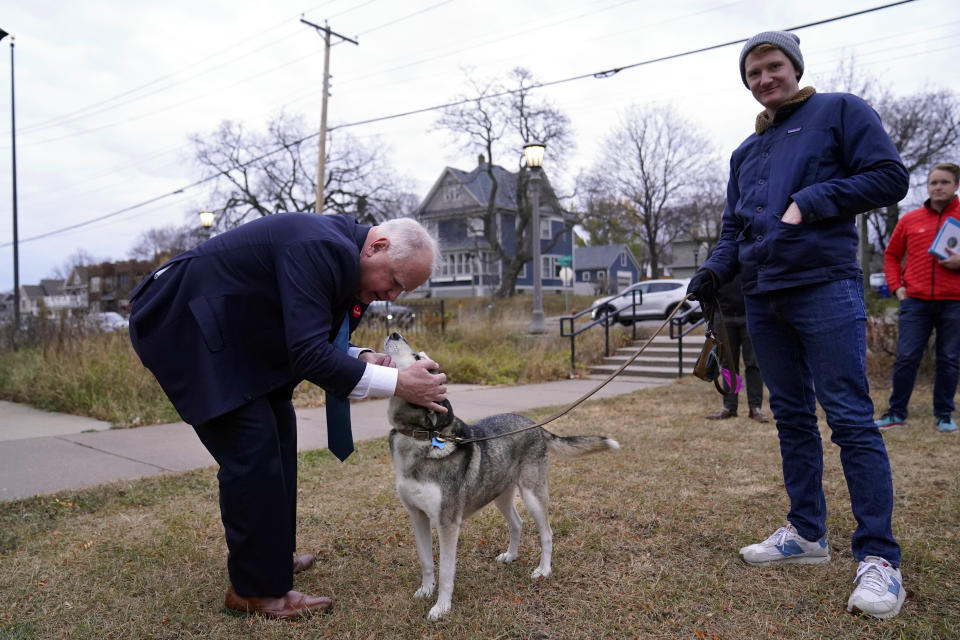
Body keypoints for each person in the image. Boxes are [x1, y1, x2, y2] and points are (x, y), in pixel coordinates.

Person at [686, 31, 909, 619]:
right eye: (752, 73)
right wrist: (710, 273)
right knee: (790, 416)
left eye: (772, 66)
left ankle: (879, 558)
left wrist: (811, 200)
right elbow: (734, 228)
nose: (763, 79)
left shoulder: (839, 111)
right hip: (762, 295)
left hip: (823, 285)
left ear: (794, 67)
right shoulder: (745, 150)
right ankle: (807, 534)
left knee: (850, 417)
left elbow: (890, 177)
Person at [128, 213, 448, 619]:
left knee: (280, 432)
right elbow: (308, 354)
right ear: (378, 246)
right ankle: (256, 590)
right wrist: (398, 383)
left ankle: (272, 561)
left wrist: (364, 357)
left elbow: (310, 336)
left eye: (404, 290)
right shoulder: (318, 247)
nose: (394, 297)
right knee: (252, 449)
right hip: (184, 322)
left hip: (240, 335)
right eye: (397, 281)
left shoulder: (350, 265)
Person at [875, 162, 960, 434]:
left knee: (948, 359)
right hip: (915, 301)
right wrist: (896, 286)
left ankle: (944, 415)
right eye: (933, 182)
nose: (937, 187)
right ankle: (896, 413)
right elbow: (890, 255)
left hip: (954, 301)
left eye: (944, 182)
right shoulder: (910, 220)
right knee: (907, 357)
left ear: (956, 185)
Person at [704, 273, 768, 423]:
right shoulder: (718, 252)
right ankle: (730, 407)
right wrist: (711, 318)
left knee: (753, 364)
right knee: (728, 365)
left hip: (750, 313)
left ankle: (755, 408)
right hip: (724, 316)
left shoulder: (750, 250)